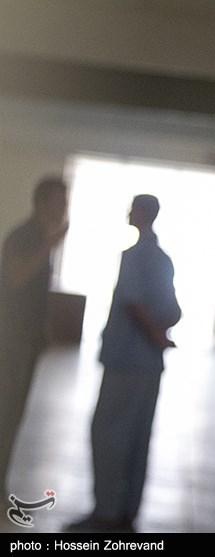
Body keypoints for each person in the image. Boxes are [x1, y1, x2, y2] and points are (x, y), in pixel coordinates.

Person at [66, 194, 181, 533]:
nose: (129, 213)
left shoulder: (135, 256)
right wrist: (159, 334)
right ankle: (126, 513)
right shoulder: (162, 258)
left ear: (143, 213)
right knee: (137, 437)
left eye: (133, 208)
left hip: (127, 360)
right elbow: (174, 310)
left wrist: (153, 333)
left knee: (109, 434)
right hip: (149, 364)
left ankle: (106, 514)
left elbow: (133, 303)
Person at [0, 177, 69, 492]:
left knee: (13, 415)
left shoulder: (41, 237)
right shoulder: (24, 236)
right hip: (10, 342)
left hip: (25, 341)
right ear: (42, 202)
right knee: (5, 412)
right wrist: (48, 246)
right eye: (60, 202)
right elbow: (16, 277)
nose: (64, 209)